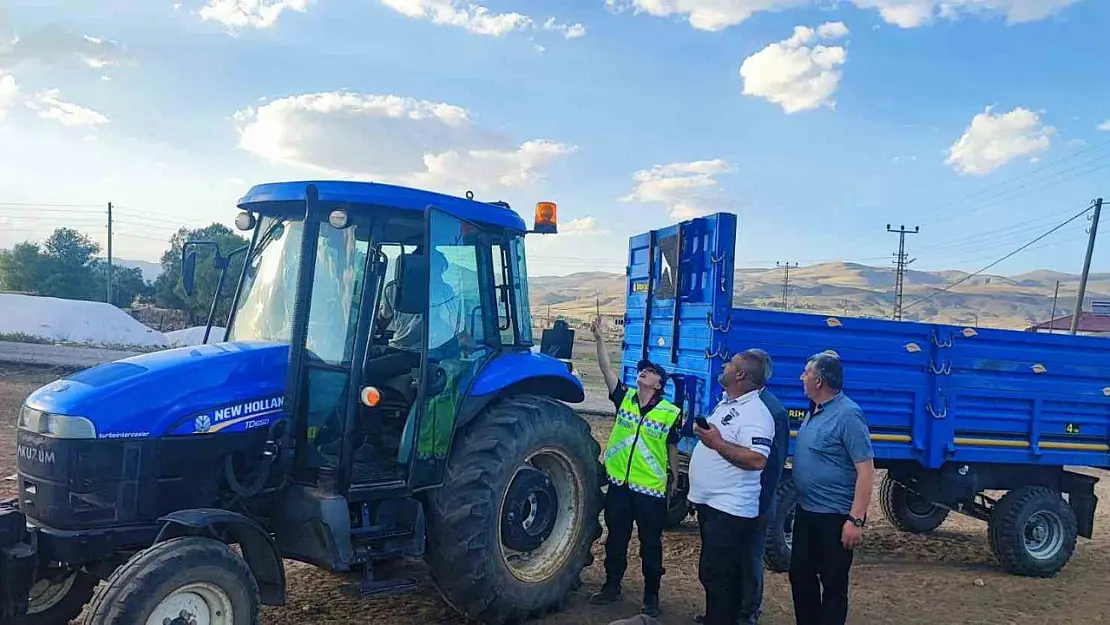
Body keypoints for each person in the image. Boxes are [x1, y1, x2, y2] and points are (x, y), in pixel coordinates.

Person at [588, 317, 681, 619]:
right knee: (616, 539)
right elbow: (607, 370)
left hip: (650, 491)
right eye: (643, 369)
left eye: (651, 372)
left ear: (659, 384)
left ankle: (651, 597)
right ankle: (611, 585)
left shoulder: (670, 413)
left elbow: (671, 448)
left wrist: (675, 477)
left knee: (650, 545)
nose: (644, 372)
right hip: (620, 486)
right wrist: (601, 340)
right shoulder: (625, 399)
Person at [688, 352, 775, 625]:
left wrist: (717, 443)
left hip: (730, 508)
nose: (724, 366)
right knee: (718, 573)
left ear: (740, 375)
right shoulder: (729, 404)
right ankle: (716, 617)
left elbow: (758, 459)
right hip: (714, 505)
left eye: (730, 364)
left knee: (718, 574)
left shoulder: (757, 413)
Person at [790, 352, 876, 625]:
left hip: (835, 517)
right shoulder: (814, 409)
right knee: (800, 575)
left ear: (819, 380)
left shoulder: (848, 415)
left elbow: (866, 470)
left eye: (806, 372)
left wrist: (856, 519)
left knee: (833, 584)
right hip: (807, 512)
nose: (801, 377)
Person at [739, 348, 790, 625]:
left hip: (756, 500)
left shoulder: (773, 410)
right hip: (735, 499)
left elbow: (775, 463)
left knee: (750, 558)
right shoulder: (735, 402)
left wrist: (763, 504)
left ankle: (748, 614)